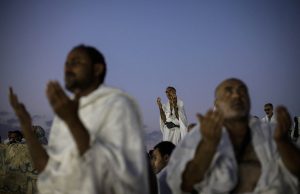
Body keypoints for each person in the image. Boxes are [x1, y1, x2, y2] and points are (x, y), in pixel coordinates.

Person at [9, 44, 149, 194]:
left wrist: (72, 120)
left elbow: (112, 175)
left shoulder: (118, 105)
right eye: (66, 63)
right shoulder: (64, 111)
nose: (68, 69)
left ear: (97, 69)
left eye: (75, 62)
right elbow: (47, 169)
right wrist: (26, 126)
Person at [167, 78, 300, 194]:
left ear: (249, 100)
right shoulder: (199, 135)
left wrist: (282, 142)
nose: (236, 95)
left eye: (242, 91)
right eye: (228, 92)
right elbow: (182, 186)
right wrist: (208, 146)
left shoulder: (270, 132)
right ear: (217, 104)